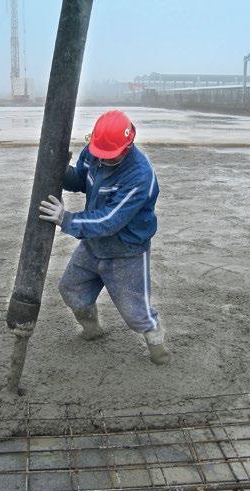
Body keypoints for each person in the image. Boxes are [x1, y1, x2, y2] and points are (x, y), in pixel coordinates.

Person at [39, 110, 170, 365]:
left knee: (136, 314)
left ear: (128, 145)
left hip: (126, 251)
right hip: (93, 244)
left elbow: (109, 221)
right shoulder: (95, 151)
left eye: (110, 157)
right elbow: (80, 180)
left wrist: (65, 219)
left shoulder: (139, 176)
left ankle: (156, 344)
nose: (103, 160)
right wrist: (61, 171)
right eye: (99, 154)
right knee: (71, 289)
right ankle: (92, 329)